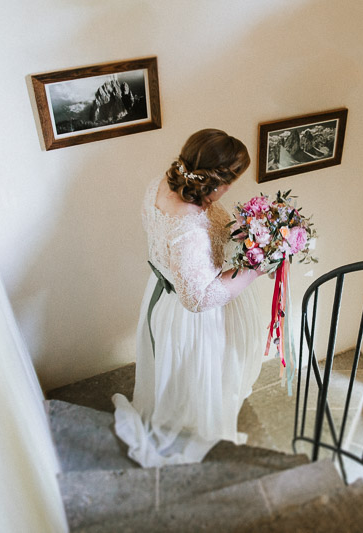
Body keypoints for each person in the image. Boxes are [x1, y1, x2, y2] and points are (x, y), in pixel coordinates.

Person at [112, 129, 265, 467]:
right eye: (232, 182)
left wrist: (245, 233)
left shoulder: (163, 185)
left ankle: (185, 411)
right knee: (200, 370)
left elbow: (214, 215)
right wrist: (255, 269)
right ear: (216, 182)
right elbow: (199, 299)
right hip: (191, 315)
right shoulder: (189, 230)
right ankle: (195, 425)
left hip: (161, 293)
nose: (230, 190)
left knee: (178, 372)